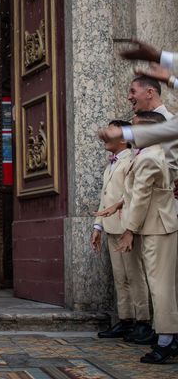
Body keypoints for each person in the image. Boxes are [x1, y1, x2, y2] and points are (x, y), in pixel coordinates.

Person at [105, 112, 178, 363]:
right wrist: (117, 206)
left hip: (157, 227)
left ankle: (166, 342)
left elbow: (142, 198)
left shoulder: (148, 157)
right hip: (158, 225)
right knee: (163, 285)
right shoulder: (155, 154)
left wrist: (129, 230)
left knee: (160, 287)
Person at [91, 120, 151, 342]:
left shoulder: (131, 161)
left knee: (135, 275)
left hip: (127, 226)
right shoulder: (110, 165)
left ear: (124, 139)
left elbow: (134, 195)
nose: (105, 136)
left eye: (111, 131)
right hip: (111, 227)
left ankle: (143, 321)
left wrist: (131, 228)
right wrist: (97, 226)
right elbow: (105, 197)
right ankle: (125, 319)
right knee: (120, 277)